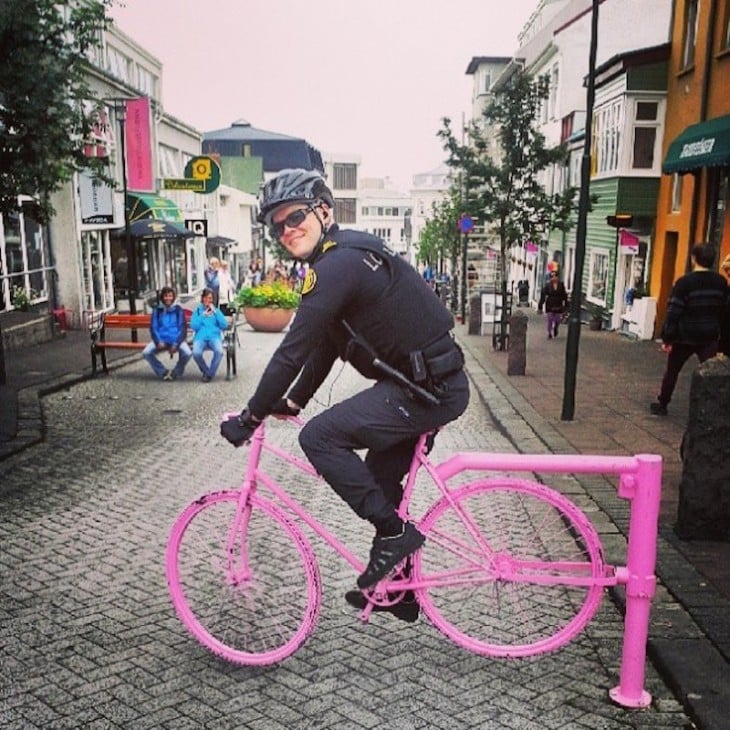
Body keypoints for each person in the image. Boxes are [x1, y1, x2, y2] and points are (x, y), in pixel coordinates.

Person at [220, 169, 469, 622]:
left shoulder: (338, 265)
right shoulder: (342, 257)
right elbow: (329, 343)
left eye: (295, 216)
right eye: (277, 226)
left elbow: (292, 351)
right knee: (377, 476)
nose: (286, 230)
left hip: (428, 391)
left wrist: (250, 419)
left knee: (319, 438)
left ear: (324, 211)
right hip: (426, 385)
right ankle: (401, 587)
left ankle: (395, 536)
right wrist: (293, 400)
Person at [649, 242, 728, 416]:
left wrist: (668, 338)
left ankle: (663, 403)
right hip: (709, 335)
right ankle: (711, 408)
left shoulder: (684, 282)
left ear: (694, 259)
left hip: (684, 335)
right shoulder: (721, 282)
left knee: (672, 371)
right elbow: (724, 310)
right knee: (711, 372)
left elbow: (674, 311)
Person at [141, 286, 191, 380]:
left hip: (176, 339)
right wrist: (158, 341)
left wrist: (176, 344)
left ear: (173, 297)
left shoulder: (178, 310)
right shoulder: (157, 310)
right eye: (166, 296)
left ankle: (176, 372)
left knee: (187, 353)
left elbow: (182, 328)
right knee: (146, 352)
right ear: (162, 297)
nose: (168, 298)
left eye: (170, 296)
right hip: (161, 339)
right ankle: (162, 371)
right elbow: (154, 327)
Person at [191, 288, 229, 382]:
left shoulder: (216, 311)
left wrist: (216, 313)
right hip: (200, 338)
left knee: (219, 352)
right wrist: (203, 315)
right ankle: (207, 372)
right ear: (203, 298)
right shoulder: (198, 312)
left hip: (214, 337)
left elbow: (224, 325)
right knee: (196, 353)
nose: (209, 300)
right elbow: (194, 326)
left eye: (211, 298)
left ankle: (209, 374)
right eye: (207, 298)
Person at [538, 270, 569, 338]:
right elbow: (543, 295)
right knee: (550, 319)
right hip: (550, 304)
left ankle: (556, 328)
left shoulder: (561, 285)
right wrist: (540, 306)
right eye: (552, 276)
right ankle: (549, 332)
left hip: (558, 303)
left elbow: (564, 295)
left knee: (558, 319)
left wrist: (566, 305)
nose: (554, 278)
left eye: (555, 276)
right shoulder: (548, 285)